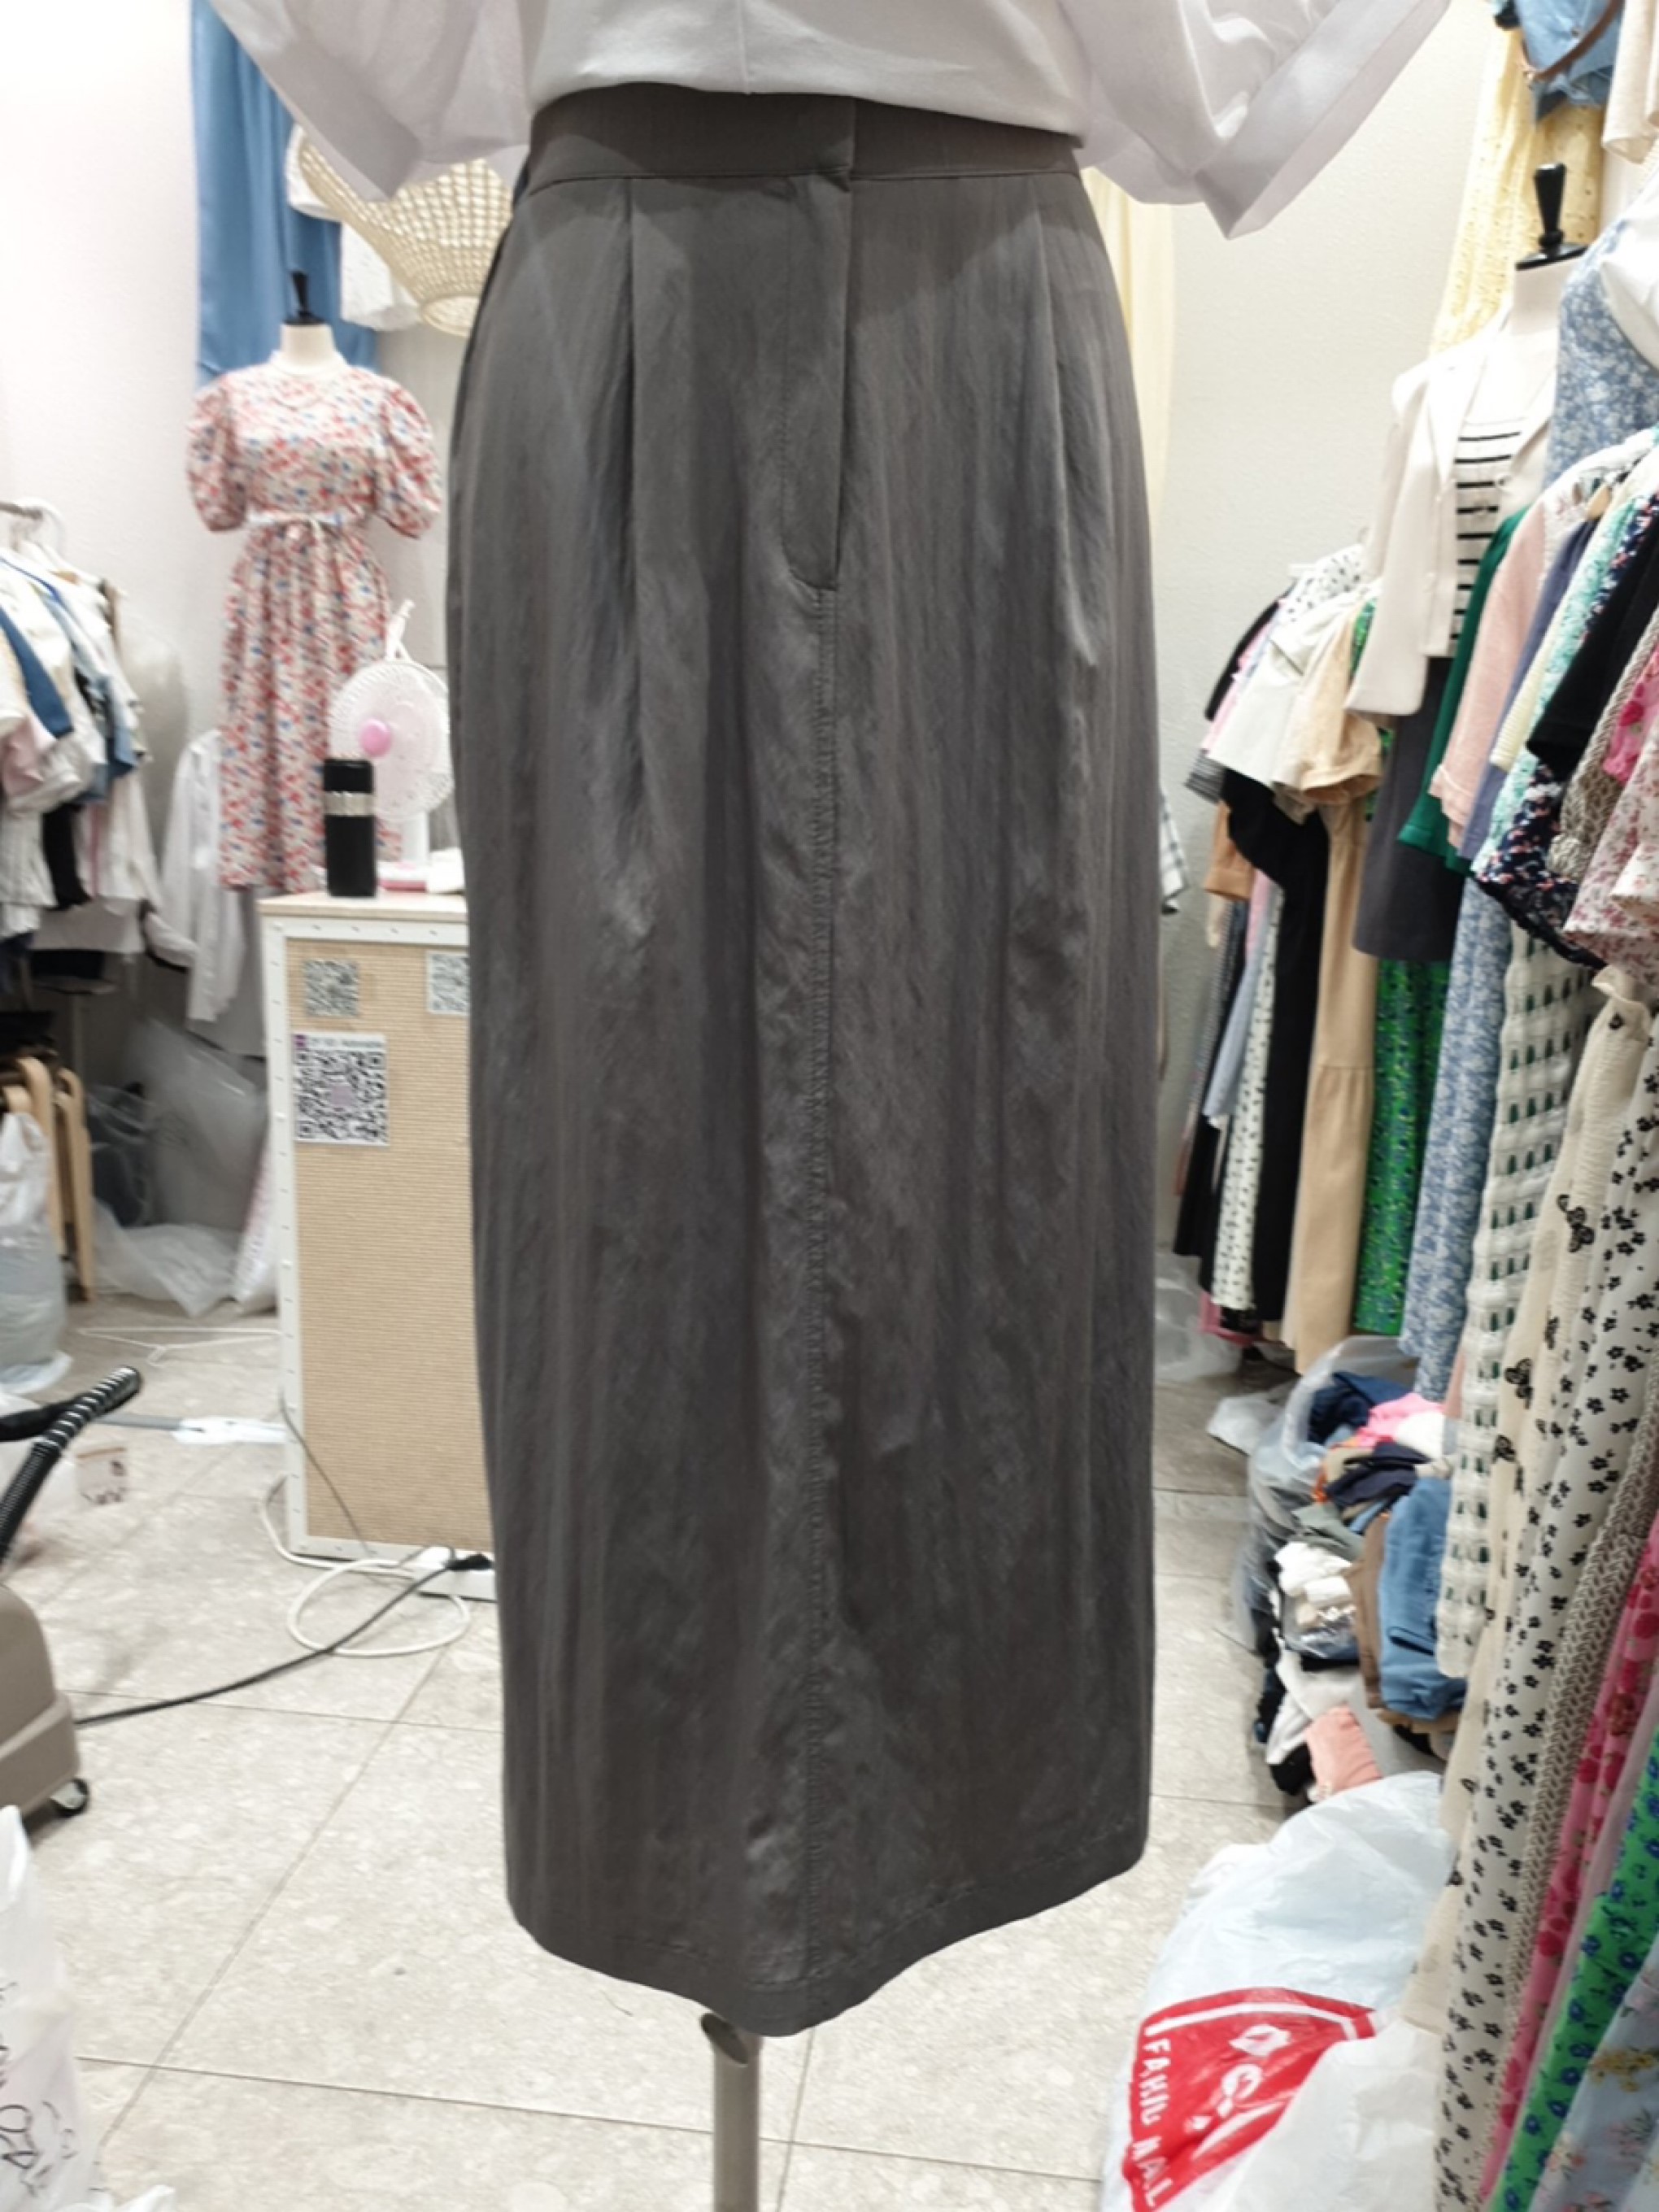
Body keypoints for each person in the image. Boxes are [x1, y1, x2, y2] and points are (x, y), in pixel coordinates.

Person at [214, 0, 1450, 2036]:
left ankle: (954, 1797)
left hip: (953, 321)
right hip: (643, 299)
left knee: (988, 1102)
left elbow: (1206, 91)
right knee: (620, 1140)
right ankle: (659, 1821)